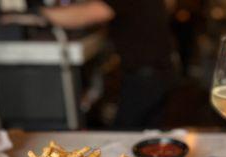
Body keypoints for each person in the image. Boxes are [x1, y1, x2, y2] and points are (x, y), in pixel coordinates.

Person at [42, 1, 177, 129]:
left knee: (125, 132)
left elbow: (85, 15)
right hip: (159, 70)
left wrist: (40, 12)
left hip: (146, 75)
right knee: (147, 131)